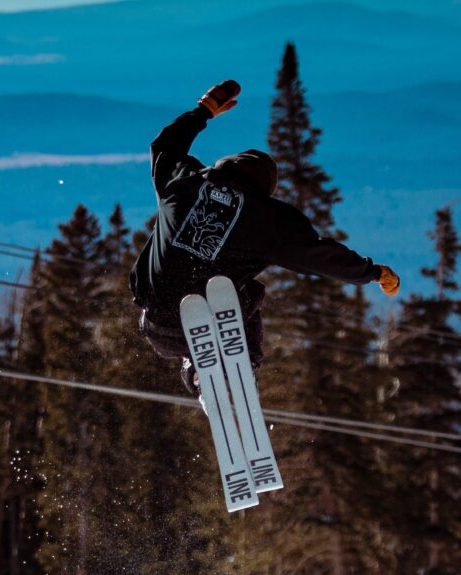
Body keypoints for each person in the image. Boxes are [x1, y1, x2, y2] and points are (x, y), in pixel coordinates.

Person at [129, 79, 401, 393]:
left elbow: (164, 146)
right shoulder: (268, 219)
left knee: (210, 290)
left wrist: (202, 112)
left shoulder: (183, 182)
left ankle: (197, 368)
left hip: (155, 323)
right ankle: (241, 371)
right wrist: (371, 272)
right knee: (251, 294)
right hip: (212, 323)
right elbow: (317, 255)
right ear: (264, 190)